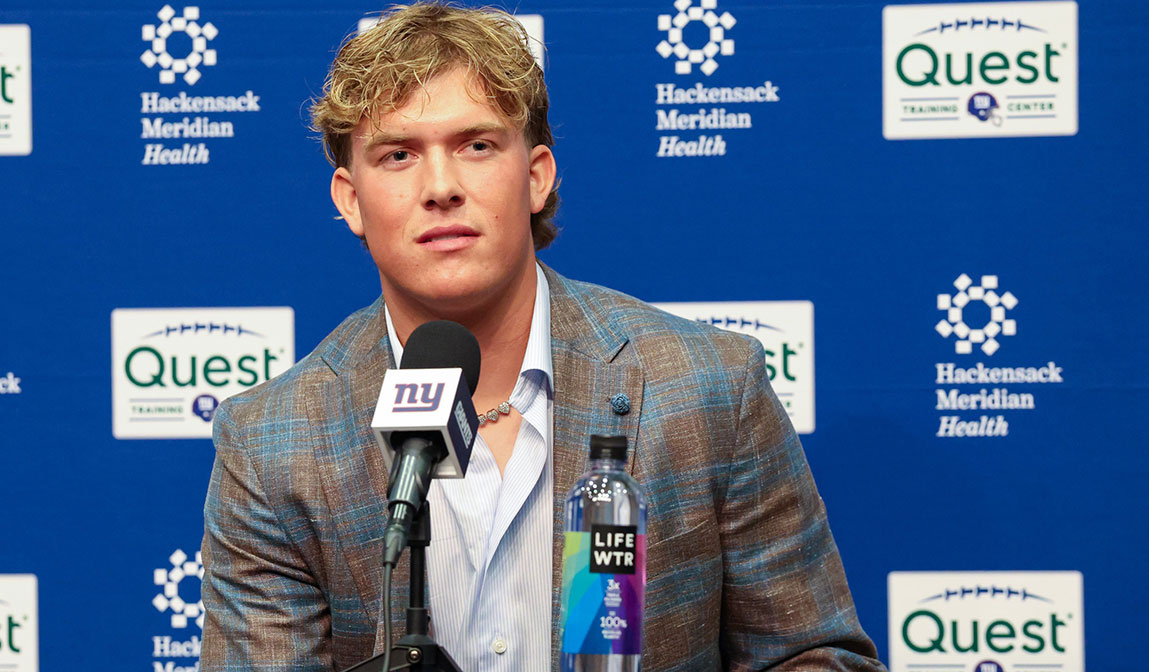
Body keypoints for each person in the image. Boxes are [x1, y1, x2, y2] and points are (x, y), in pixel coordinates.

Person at [199, 3, 886, 671]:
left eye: (476, 145)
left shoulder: (709, 388)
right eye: (399, 154)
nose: (442, 186)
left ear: (535, 177)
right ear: (350, 198)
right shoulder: (270, 444)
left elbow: (813, 656)